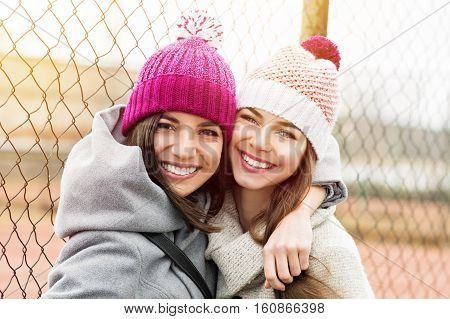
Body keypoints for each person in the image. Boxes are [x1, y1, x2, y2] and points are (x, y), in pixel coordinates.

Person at [41, 12, 344, 299]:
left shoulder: (208, 196)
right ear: (140, 128)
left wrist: (301, 212)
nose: (185, 150)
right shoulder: (113, 249)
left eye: (208, 132)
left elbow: (316, 141)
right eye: (167, 127)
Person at [205, 36, 374, 299]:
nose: (260, 143)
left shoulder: (330, 250)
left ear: (307, 158)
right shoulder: (201, 208)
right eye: (250, 119)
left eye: (285, 134)